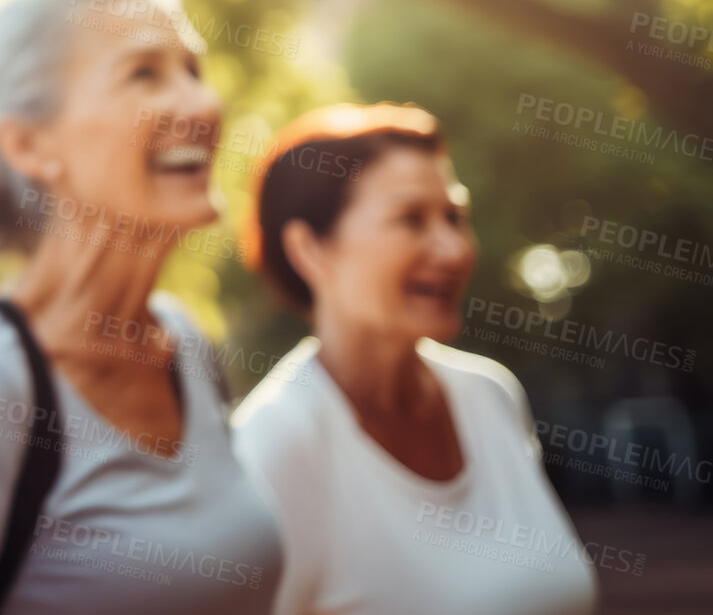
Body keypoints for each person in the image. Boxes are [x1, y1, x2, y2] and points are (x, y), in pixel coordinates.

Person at [0, 0, 284, 615]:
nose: (199, 105)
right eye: (144, 74)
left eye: (193, 68)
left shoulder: (185, 346)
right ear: (29, 143)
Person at [231, 103, 598, 615]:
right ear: (310, 249)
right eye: (411, 219)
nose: (452, 250)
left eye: (455, 217)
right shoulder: (275, 442)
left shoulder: (490, 395)